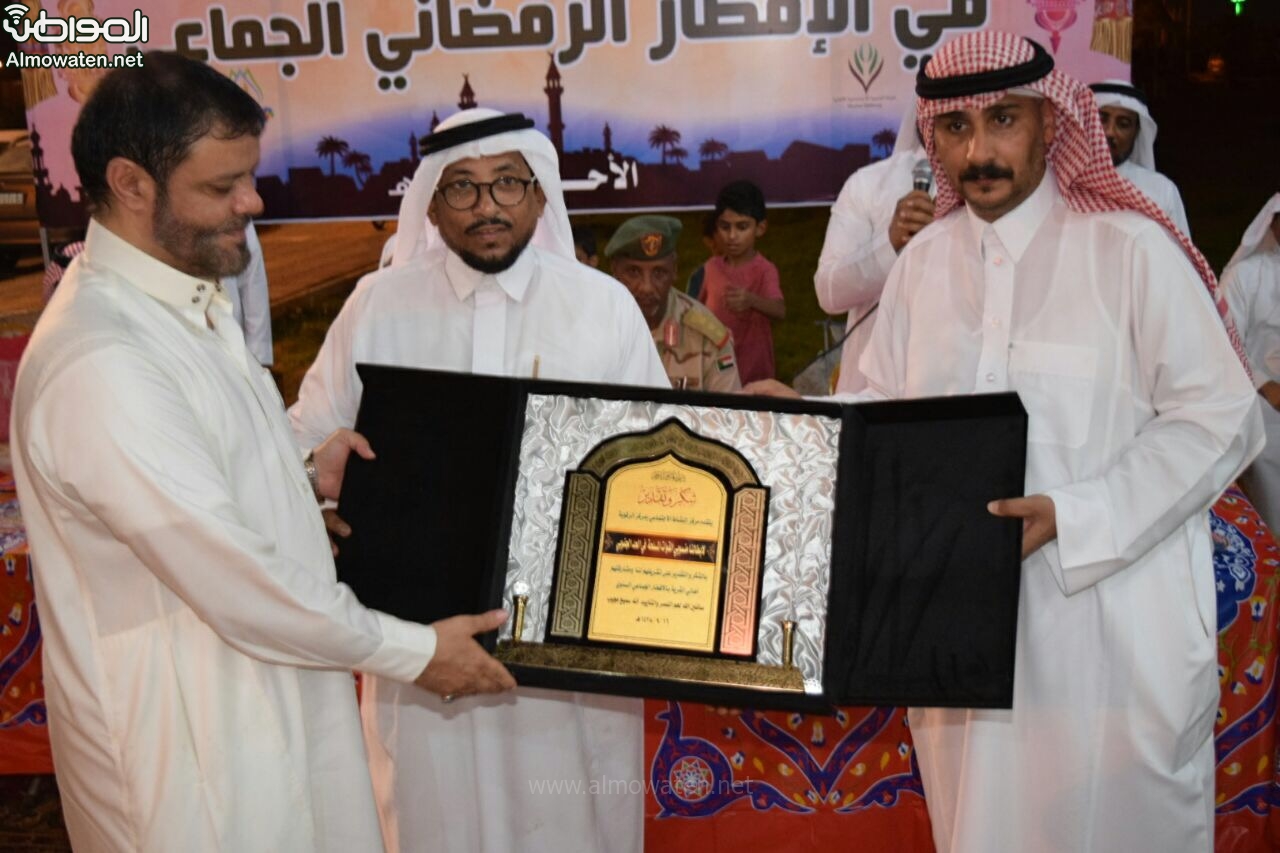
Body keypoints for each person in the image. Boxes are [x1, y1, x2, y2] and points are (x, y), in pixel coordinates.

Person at [754, 32, 1260, 851]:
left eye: (1003, 120)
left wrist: (1078, 513)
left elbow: (1222, 415)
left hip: (1112, 631)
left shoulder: (1131, 251)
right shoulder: (922, 265)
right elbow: (882, 409)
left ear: (1051, 124)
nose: (978, 152)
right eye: (955, 128)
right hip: (957, 625)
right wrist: (804, 420)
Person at [9, 53, 514, 853]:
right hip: (189, 749)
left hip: (273, 699)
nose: (252, 201)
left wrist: (302, 477)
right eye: (222, 186)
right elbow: (232, 577)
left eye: (248, 176)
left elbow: (204, 472)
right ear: (131, 183)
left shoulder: (181, 301)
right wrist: (417, 652)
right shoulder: (101, 359)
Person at [289, 108, 667, 853]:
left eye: (506, 183)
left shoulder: (601, 307)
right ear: (430, 205)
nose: (487, 205)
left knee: (573, 823)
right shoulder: (378, 306)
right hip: (421, 651)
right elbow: (305, 442)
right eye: (461, 187)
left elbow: (656, 462)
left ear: (539, 193)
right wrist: (318, 478)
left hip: (567, 662)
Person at [814, 105, 933, 393]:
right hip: (866, 392)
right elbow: (829, 293)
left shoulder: (994, 191)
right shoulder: (870, 184)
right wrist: (889, 244)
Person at [41, 222, 274, 367]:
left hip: (234, 348)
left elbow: (252, 282)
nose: (251, 201)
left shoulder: (236, 215)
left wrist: (258, 355)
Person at [605, 214, 742, 391]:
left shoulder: (706, 338)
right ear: (615, 271)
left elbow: (728, 407)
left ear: (674, 270)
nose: (647, 287)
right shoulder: (593, 327)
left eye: (659, 273)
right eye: (633, 272)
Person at [1224, 192, 1280, 532]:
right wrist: (1266, 384)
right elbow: (1226, 344)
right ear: (1273, 224)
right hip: (1254, 398)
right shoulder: (1245, 276)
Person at [699, 180, 785, 383]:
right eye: (725, 226)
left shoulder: (764, 270)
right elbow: (697, 309)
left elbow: (780, 310)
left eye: (742, 227)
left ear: (760, 228)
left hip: (754, 375)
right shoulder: (711, 268)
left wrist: (751, 300)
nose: (732, 236)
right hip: (716, 373)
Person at [1089, 79, 1191, 236]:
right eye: (1102, 119)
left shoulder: (1161, 191)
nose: (1109, 132)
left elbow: (1177, 250)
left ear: (1136, 132)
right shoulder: (1061, 183)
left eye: (1123, 124)